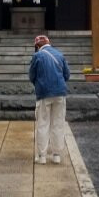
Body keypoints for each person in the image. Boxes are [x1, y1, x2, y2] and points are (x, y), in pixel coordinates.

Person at [28, 34, 70, 165]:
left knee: (43, 124)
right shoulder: (59, 54)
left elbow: (31, 76)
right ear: (48, 42)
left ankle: (42, 156)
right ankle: (56, 155)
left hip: (44, 94)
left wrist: (40, 84)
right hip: (60, 93)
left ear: (37, 46)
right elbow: (67, 75)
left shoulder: (37, 56)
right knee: (58, 123)